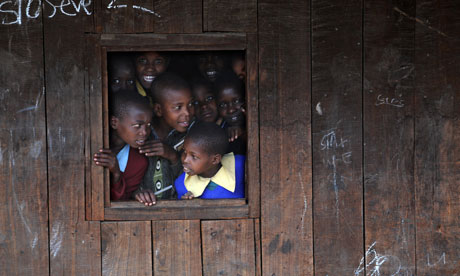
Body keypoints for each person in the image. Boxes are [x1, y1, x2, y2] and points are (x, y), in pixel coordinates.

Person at [134, 73, 194, 205]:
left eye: (190, 104)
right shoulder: (141, 134)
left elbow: (192, 175)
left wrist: (172, 155)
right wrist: (138, 193)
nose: (187, 113)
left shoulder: (192, 135)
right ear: (158, 110)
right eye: (178, 107)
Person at [93, 90, 152, 200]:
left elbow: (122, 201)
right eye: (137, 125)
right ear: (114, 122)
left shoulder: (138, 162)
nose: (145, 132)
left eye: (148, 125)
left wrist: (116, 173)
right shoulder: (91, 145)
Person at [175, 122, 245, 199]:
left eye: (194, 156)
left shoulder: (240, 166)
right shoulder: (182, 184)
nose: (185, 159)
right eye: (184, 152)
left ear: (215, 159)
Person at [215, 71, 247, 155]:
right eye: (223, 105)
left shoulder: (258, 120)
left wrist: (243, 133)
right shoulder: (219, 129)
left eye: (237, 101)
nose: (231, 110)